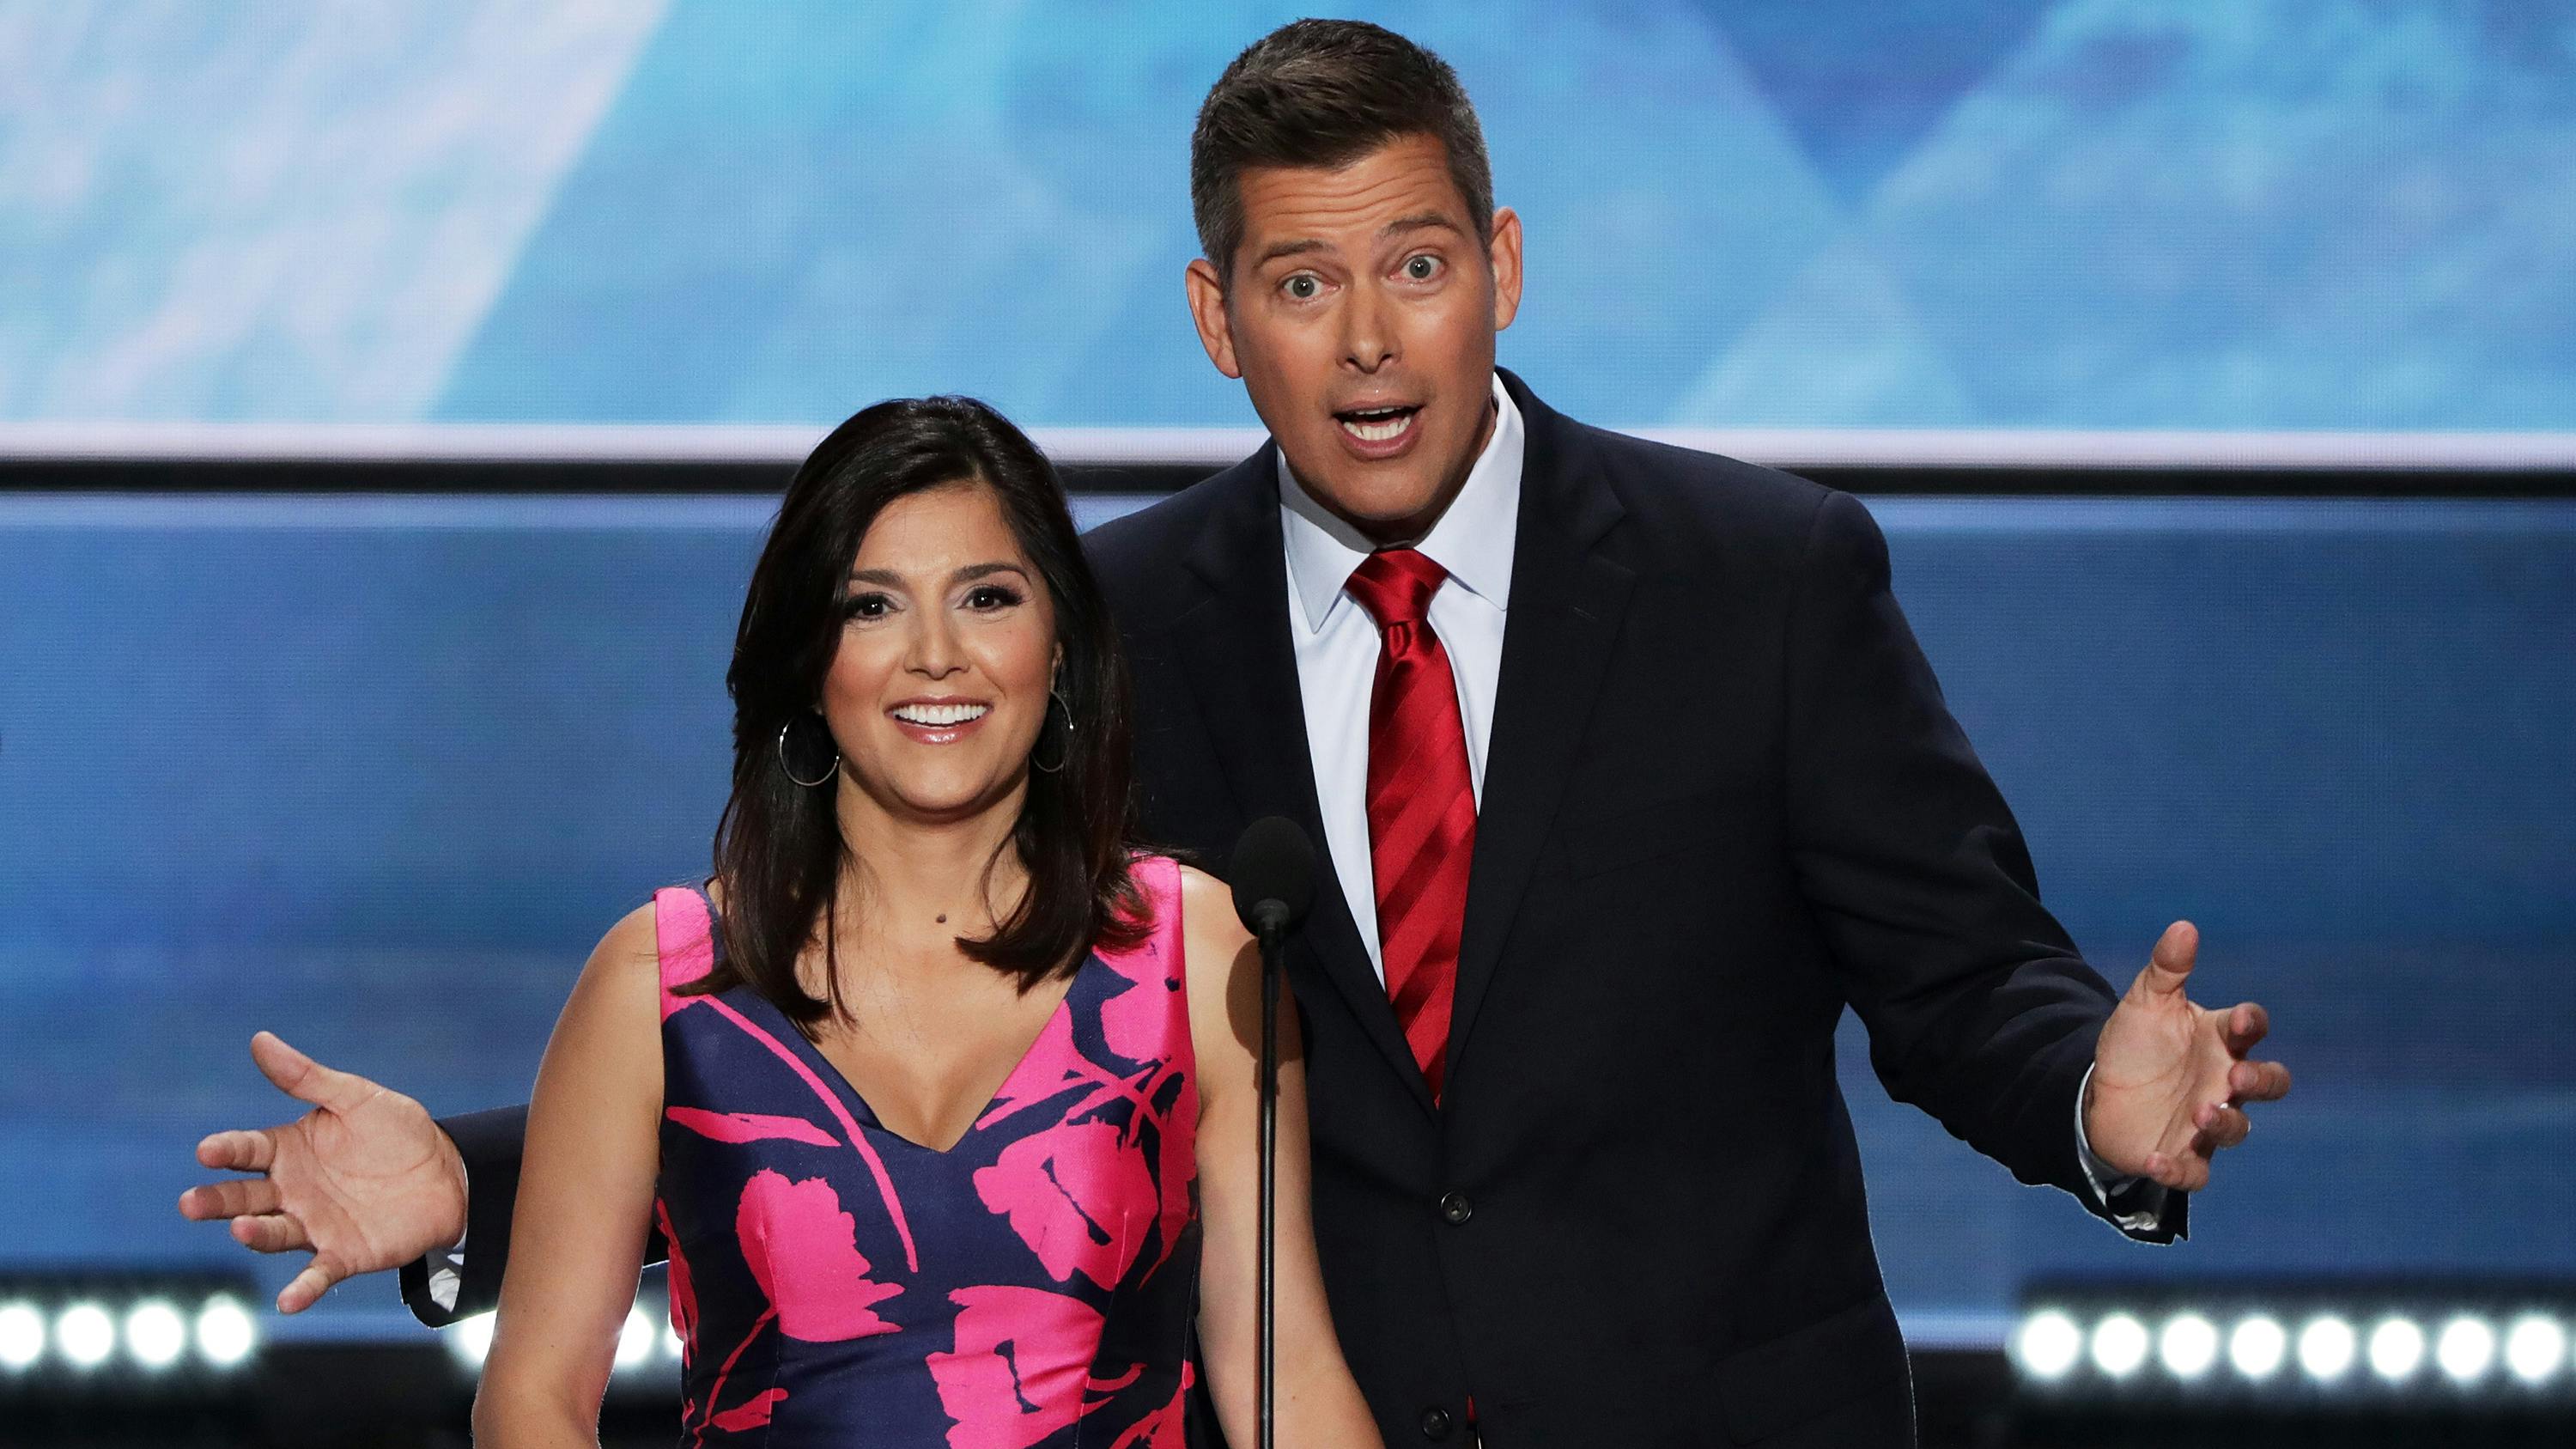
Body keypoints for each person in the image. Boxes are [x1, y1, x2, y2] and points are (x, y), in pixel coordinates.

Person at [182, 21, 2292, 1447]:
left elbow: (1957, 973)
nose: (1371, 341)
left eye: (1418, 265)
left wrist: (2094, 1105)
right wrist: (468, 1194)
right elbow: (878, 1026)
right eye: (1302, 284)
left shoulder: (1764, 579)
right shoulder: (1094, 625)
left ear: (1503, 268)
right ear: (1217, 317)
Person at [222, 396, 1382, 1446]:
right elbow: (533, 1401)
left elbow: (1285, 1380)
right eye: (872, 607)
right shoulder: (660, 982)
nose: (937, 656)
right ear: (809, 665)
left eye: (987, 597)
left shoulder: (1200, 954)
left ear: (1061, 644)